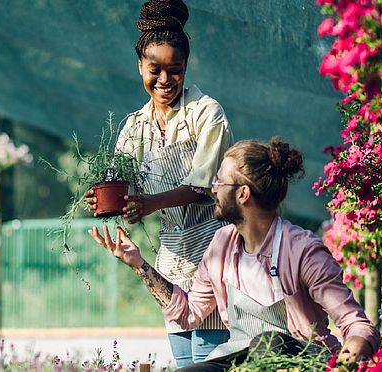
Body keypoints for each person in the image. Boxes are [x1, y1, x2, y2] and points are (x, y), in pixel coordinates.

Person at [89, 138, 379, 371]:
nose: (213, 189)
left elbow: (358, 325)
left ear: (243, 194)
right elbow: (190, 314)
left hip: (299, 361)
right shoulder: (221, 245)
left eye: (219, 182)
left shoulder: (302, 250)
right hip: (237, 360)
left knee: (269, 343)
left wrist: (346, 362)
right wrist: (138, 264)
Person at [85, 0, 235, 366]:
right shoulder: (136, 125)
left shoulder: (206, 113)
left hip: (214, 250)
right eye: (155, 69)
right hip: (170, 258)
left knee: (209, 362)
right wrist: (105, 198)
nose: (165, 80)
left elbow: (203, 187)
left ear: (186, 68)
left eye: (175, 70)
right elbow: (119, 178)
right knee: (184, 362)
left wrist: (150, 203)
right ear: (140, 67)